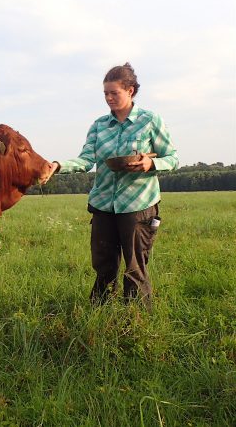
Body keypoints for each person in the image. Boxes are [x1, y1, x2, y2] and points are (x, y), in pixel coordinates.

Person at [47, 63, 178, 311]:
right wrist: (57, 165)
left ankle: (136, 323)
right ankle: (99, 315)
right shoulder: (99, 125)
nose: (108, 98)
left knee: (134, 267)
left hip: (137, 204)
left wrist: (151, 163)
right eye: (105, 94)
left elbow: (172, 158)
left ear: (130, 90)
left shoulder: (150, 120)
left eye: (113, 93)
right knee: (103, 264)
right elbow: (86, 160)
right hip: (103, 203)